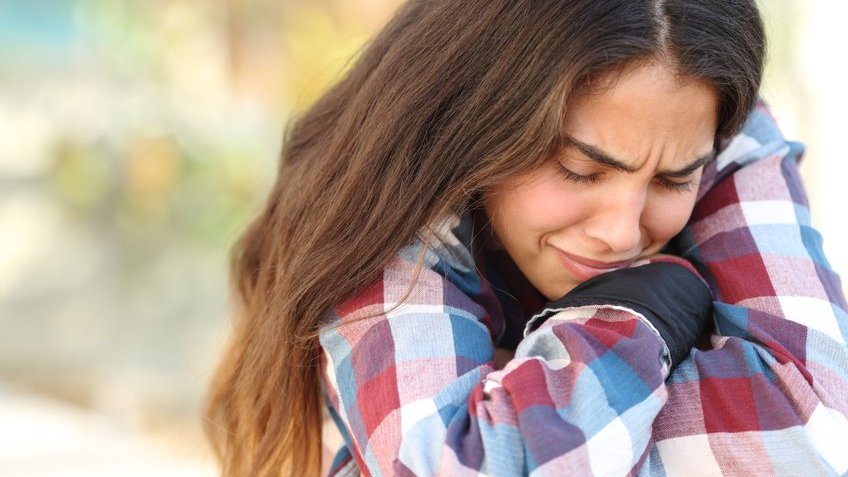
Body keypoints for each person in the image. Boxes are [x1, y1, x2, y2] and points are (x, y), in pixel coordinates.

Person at [202, 1, 848, 476]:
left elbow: (823, 434)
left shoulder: (716, 124)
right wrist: (645, 308)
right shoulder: (387, 198)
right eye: (579, 169)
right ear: (483, 120)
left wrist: (541, 430)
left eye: (676, 180)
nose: (623, 231)